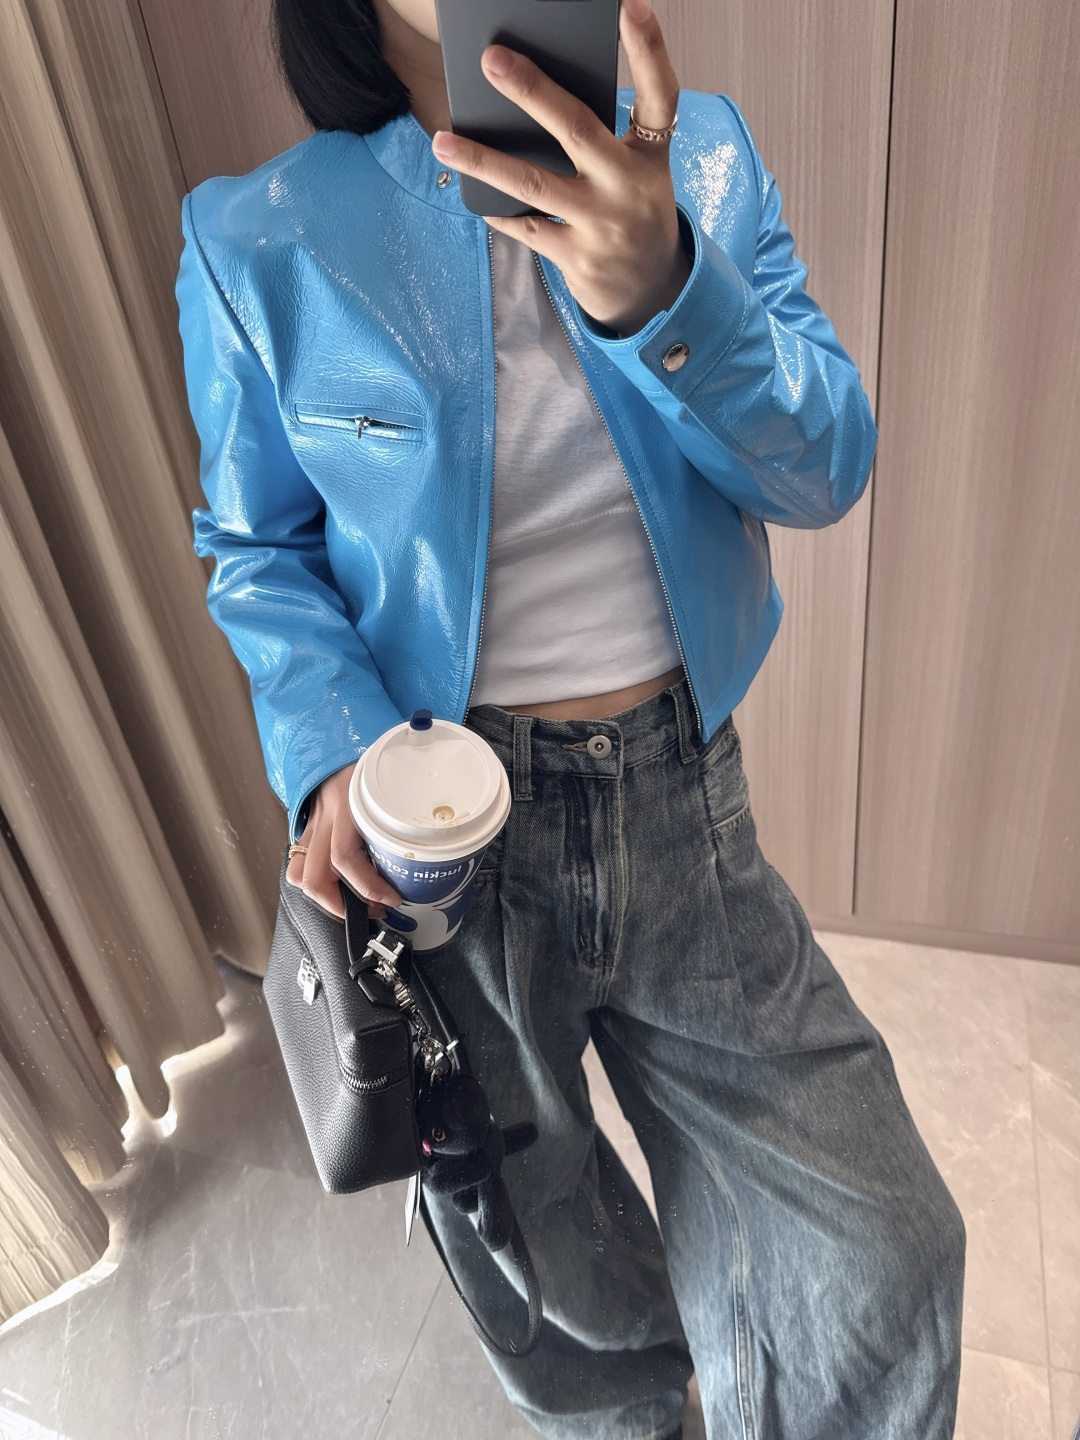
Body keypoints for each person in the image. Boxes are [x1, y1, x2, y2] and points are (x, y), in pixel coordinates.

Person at [174, 0, 967, 1434]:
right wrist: (333, 747)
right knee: (544, 1255)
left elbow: (825, 464)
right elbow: (259, 550)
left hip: (685, 804)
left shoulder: (699, 156)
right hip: (445, 850)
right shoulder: (258, 237)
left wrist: (671, 294)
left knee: (880, 1252)